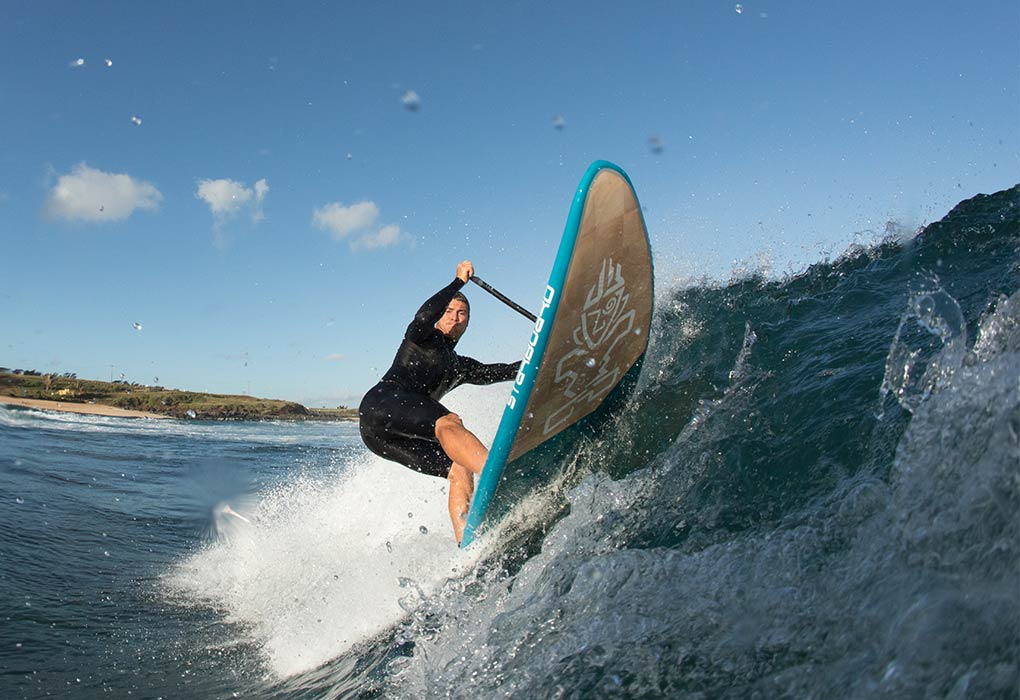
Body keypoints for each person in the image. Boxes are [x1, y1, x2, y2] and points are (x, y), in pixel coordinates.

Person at [359, 260, 520, 543]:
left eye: (462, 314)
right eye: (448, 312)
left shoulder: (460, 366)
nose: (455, 318)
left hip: (381, 438)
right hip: (381, 404)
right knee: (449, 421)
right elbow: (422, 317)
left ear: (468, 321)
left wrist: (543, 357)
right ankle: (502, 478)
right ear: (439, 316)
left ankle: (467, 542)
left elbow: (505, 371)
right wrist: (457, 283)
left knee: (459, 468)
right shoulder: (422, 338)